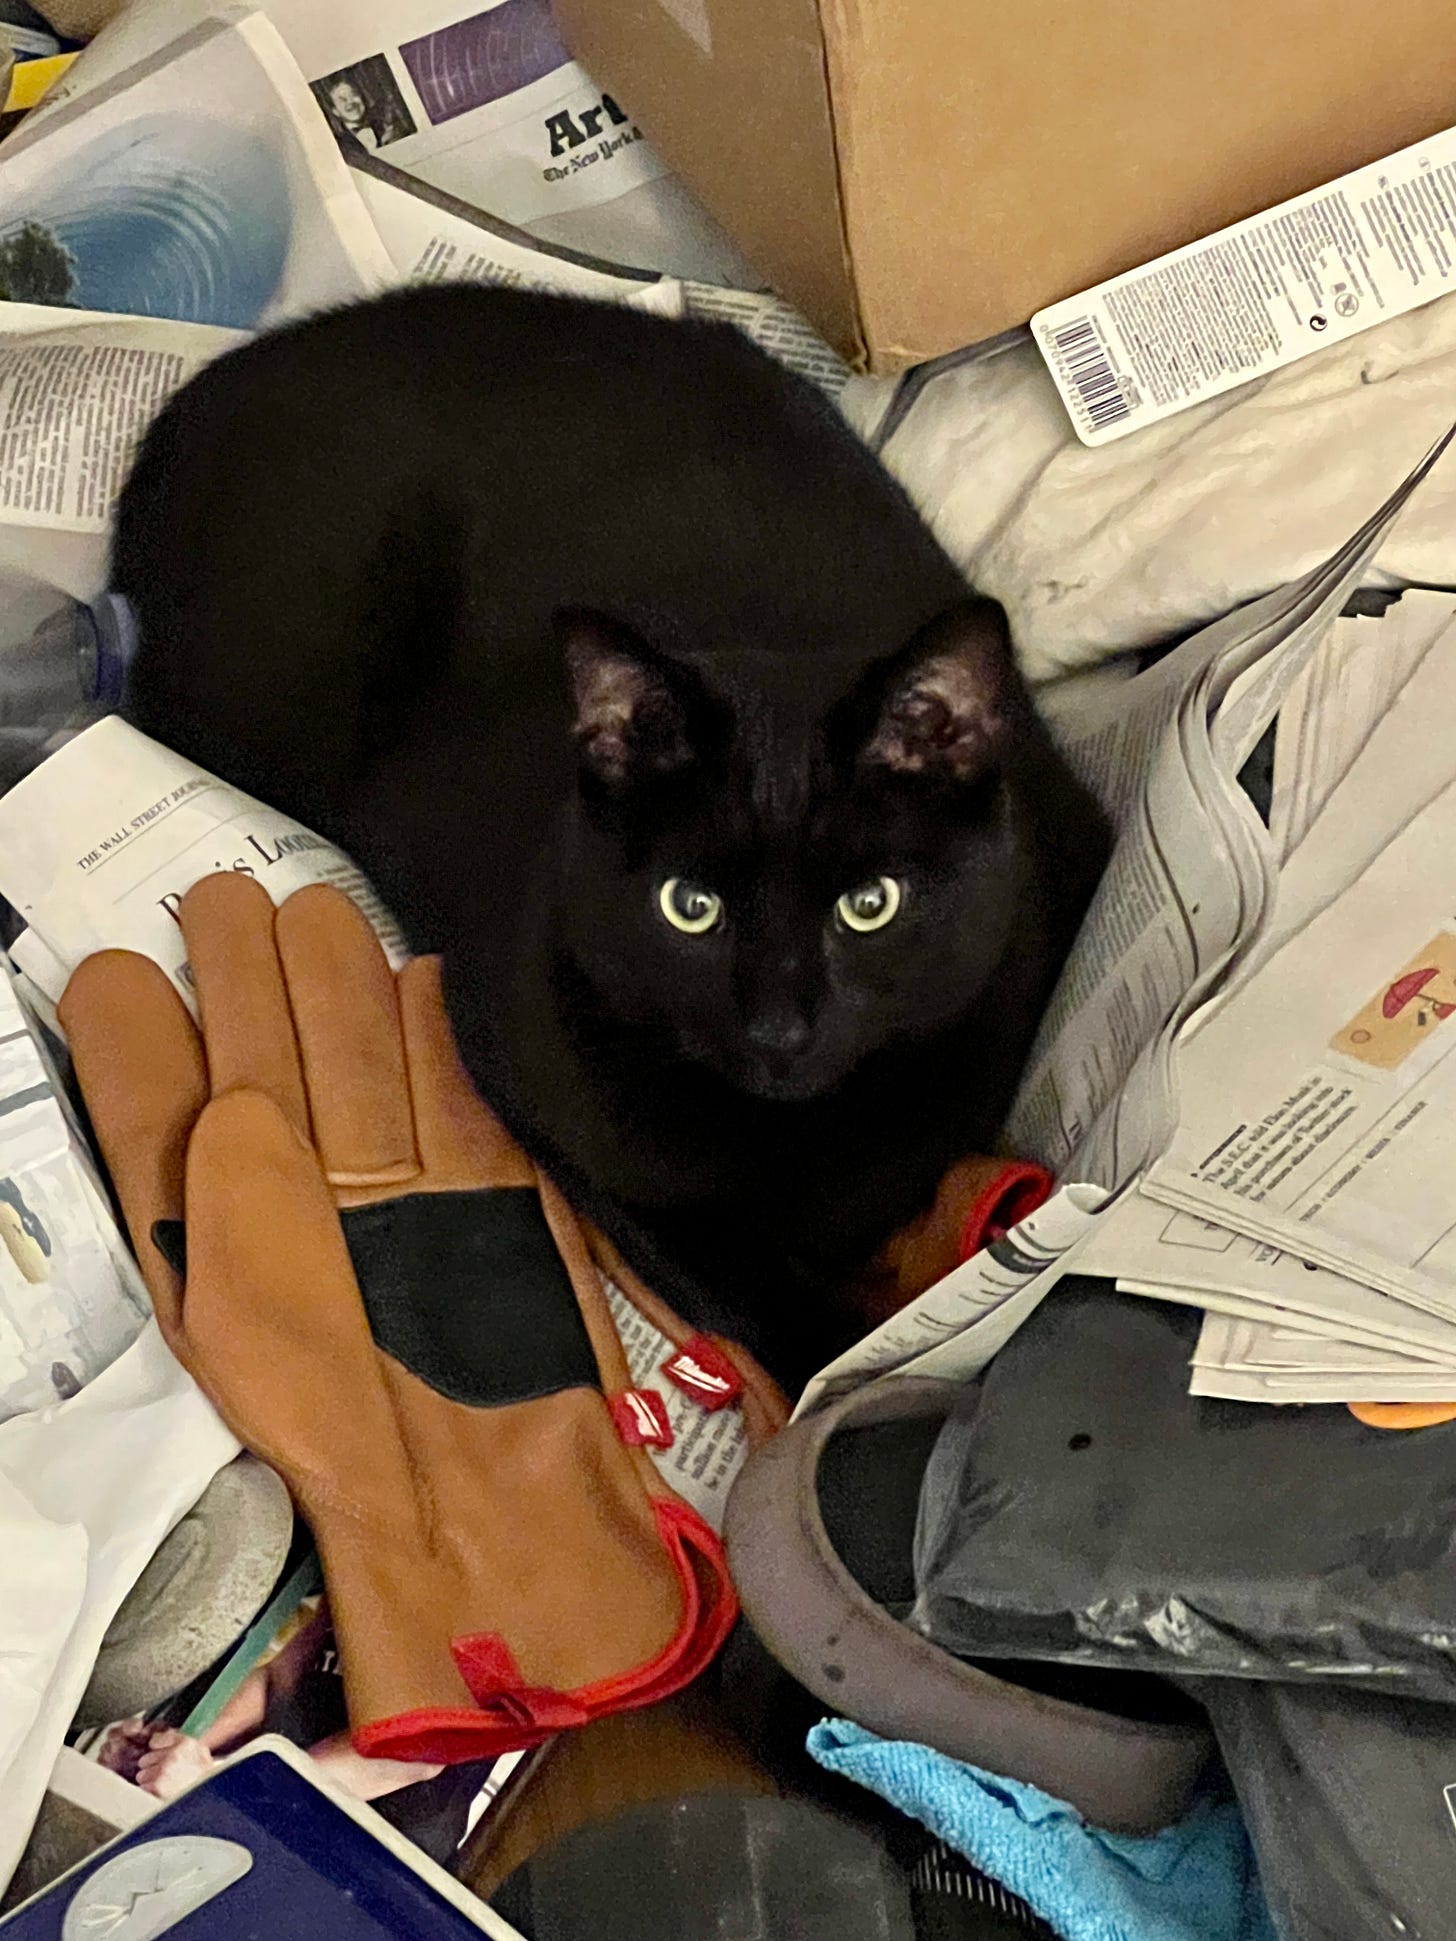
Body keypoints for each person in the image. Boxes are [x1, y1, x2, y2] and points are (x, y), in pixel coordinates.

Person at [94, 1599, 441, 1805]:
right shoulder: (366, 1565)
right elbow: (276, 1680)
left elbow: (415, 1754)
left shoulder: (474, 1596)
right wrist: (177, 1748)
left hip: (359, 1861)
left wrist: (218, 1782)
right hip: (259, 1796)